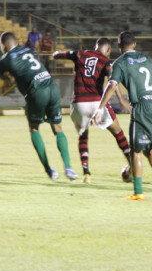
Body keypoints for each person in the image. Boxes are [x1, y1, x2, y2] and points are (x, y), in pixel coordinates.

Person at [0, 32, 76, 181]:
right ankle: (69, 168)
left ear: (3, 45)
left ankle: (49, 170)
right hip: (51, 86)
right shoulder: (30, 50)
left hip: (37, 92)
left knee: (34, 128)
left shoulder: (3, 60)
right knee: (57, 128)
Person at [90, 31, 152, 200]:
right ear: (134, 44)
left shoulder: (120, 63)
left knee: (135, 151)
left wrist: (100, 108)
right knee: (148, 148)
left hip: (142, 106)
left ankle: (138, 192)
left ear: (119, 46)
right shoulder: (147, 58)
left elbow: (112, 84)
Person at [53, 38, 132, 183]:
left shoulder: (80, 53)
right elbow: (112, 81)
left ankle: (86, 173)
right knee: (118, 132)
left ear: (96, 47)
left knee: (83, 136)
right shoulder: (106, 61)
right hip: (96, 102)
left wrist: (56, 53)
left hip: (79, 103)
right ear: (108, 50)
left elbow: (58, 54)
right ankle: (132, 166)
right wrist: (121, 99)